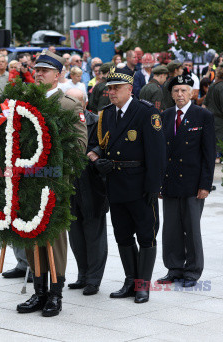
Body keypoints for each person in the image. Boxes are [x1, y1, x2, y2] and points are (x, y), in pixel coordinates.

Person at [17, 50, 87, 317]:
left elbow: (80, 146)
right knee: (30, 233)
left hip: (56, 182)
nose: (38, 74)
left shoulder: (69, 105)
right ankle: (39, 292)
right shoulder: (25, 105)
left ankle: (55, 295)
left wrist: (52, 163)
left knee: (54, 236)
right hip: (28, 182)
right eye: (36, 70)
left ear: (58, 75)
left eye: (45, 71)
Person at [87, 66, 166, 304]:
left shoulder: (146, 112)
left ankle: (143, 286)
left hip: (140, 183)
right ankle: (130, 281)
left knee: (146, 236)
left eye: (116, 88)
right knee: (122, 235)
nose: (111, 92)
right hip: (116, 182)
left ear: (129, 89)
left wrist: (154, 187)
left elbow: (157, 153)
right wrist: (97, 160)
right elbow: (98, 145)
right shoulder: (107, 114)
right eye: (109, 88)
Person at [158, 72, 216, 287]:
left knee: (191, 228)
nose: (180, 94)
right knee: (171, 228)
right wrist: (159, 183)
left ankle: (192, 271)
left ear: (192, 92)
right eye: (176, 91)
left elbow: (209, 153)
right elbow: (162, 152)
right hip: (170, 181)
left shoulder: (203, 116)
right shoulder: (165, 116)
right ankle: (174, 268)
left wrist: (205, 185)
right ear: (171, 94)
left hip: (193, 183)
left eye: (184, 90)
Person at [66, 87, 108, 296]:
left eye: (76, 103)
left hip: (92, 185)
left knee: (94, 234)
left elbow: (107, 144)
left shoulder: (98, 122)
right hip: (71, 186)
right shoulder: (63, 122)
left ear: (84, 104)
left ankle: (93, 279)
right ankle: (82, 275)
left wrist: (96, 152)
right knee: (75, 235)